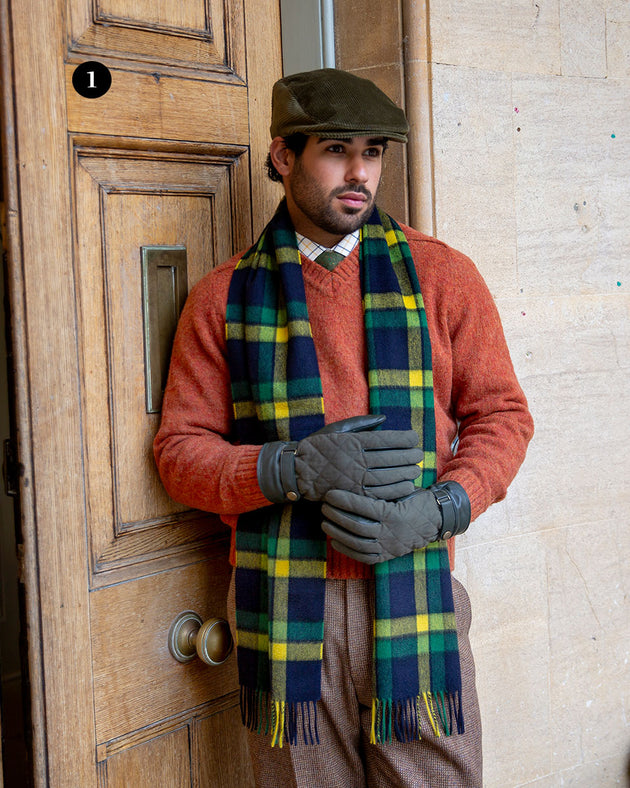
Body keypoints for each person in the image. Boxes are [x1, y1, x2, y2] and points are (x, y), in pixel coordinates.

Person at [154, 68, 534, 787]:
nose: (359, 172)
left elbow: (503, 417)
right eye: (335, 149)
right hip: (286, 607)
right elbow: (179, 453)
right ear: (281, 157)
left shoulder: (443, 277)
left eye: (373, 152)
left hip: (415, 593)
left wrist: (440, 508)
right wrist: (283, 468)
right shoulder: (222, 298)